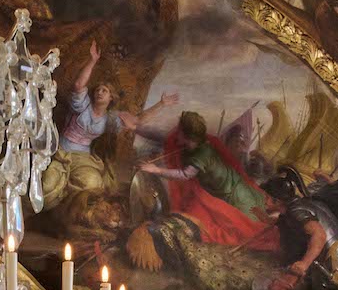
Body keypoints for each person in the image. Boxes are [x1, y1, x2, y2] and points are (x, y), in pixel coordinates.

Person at [43, 39, 178, 207]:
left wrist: (161, 104)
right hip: (60, 153)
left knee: (92, 184)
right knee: (47, 187)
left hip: (82, 158)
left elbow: (138, 121)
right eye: (98, 89)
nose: (100, 92)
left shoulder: (111, 118)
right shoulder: (83, 104)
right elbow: (79, 85)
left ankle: (68, 208)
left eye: (104, 91)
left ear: (111, 97)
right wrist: (92, 61)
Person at [138, 112, 279, 251]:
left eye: (179, 131)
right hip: (230, 189)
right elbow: (164, 138)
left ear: (187, 136)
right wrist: (137, 128)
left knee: (249, 229)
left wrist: (156, 170)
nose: (176, 133)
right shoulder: (201, 143)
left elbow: (185, 175)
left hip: (235, 195)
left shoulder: (200, 155)